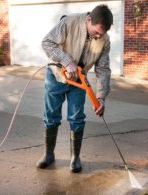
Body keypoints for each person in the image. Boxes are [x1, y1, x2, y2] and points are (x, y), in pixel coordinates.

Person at [37, 4, 113, 173]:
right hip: (57, 75)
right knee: (51, 116)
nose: (98, 36)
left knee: (77, 117)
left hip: (79, 80)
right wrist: (67, 61)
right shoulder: (69, 23)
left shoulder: (104, 40)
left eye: (102, 34)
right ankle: (49, 155)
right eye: (96, 32)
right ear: (88, 20)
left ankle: (75, 158)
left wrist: (101, 97)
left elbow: (103, 69)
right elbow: (47, 42)